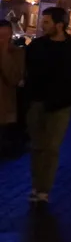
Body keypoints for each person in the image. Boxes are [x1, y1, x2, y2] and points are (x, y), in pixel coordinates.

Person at [24, 7, 71, 204]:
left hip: (61, 104)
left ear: (59, 25)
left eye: (46, 22)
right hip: (37, 101)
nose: (43, 26)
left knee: (51, 147)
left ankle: (44, 189)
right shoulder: (36, 46)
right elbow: (28, 70)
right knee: (36, 146)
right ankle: (36, 185)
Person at [0, 19, 26, 156]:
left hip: (4, 111)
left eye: (6, 36)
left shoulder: (16, 53)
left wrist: (4, 53)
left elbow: (14, 78)